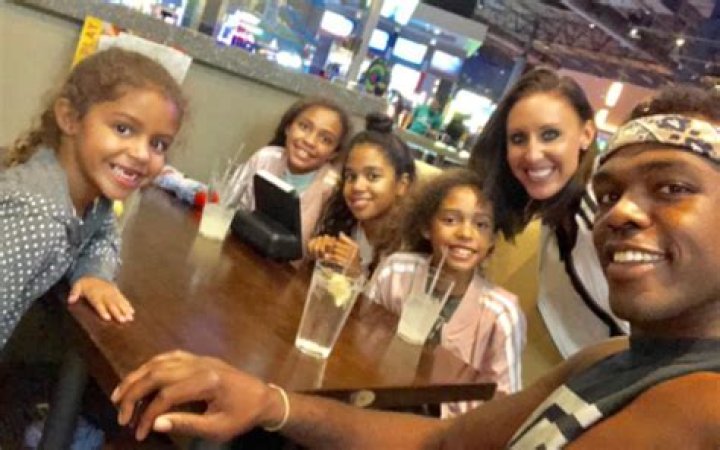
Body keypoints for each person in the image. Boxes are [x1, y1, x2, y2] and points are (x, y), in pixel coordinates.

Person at [112, 85, 720, 448]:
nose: (619, 214)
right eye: (607, 194)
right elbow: (442, 440)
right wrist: (271, 402)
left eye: (672, 188)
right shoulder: (608, 360)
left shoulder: (702, 404)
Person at [0, 48, 186, 352]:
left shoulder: (91, 200)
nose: (142, 154)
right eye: (123, 129)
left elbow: (104, 233)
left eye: (158, 144)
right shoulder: (37, 219)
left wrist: (94, 273)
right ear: (70, 118)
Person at [470, 67, 628, 358]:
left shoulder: (599, 216)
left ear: (586, 134)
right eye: (518, 139)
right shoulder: (559, 211)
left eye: (550, 135)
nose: (532, 154)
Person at [366, 168, 525, 417]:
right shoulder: (396, 272)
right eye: (450, 220)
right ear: (426, 227)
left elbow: (504, 406)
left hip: (447, 428)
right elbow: (360, 342)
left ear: (492, 239)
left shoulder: (501, 314)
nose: (465, 233)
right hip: (375, 407)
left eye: (481, 225)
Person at [228, 97, 352, 254]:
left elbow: (321, 253)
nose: (310, 141)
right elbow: (227, 204)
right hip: (237, 251)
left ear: (334, 153)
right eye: (304, 127)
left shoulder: (332, 189)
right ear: (288, 127)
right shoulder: (265, 158)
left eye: (325, 139)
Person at [307, 113, 416, 274]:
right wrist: (320, 254)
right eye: (350, 176)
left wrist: (356, 274)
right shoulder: (346, 223)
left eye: (373, 176)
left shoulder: (408, 249)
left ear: (402, 185)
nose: (357, 186)